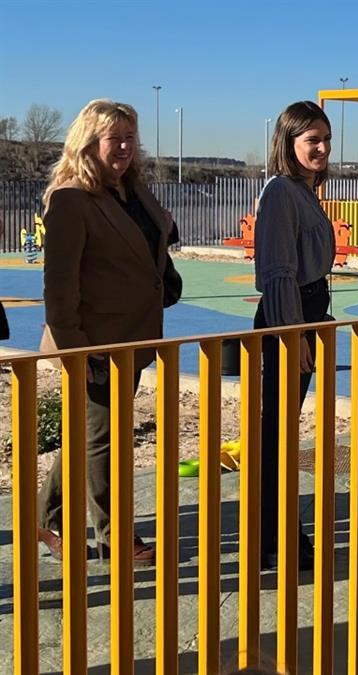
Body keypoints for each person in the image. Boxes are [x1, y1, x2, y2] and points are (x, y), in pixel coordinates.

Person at [38, 99, 174, 566]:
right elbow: (59, 290)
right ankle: (112, 536)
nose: (124, 147)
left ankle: (46, 517)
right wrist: (77, 351)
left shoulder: (132, 189)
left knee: (90, 433)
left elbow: (148, 242)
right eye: (114, 138)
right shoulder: (70, 199)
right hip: (94, 343)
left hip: (133, 335)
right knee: (103, 438)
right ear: (88, 142)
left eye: (130, 137)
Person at [253, 101, 336, 571]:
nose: (322, 148)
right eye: (312, 140)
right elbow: (278, 272)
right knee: (276, 434)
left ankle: (281, 529)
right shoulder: (281, 192)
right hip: (289, 318)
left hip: (305, 314)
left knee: (282, 431)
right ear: (288, 143)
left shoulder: (305, 190)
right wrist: (293, 334)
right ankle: (273, 537)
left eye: (326, 140)